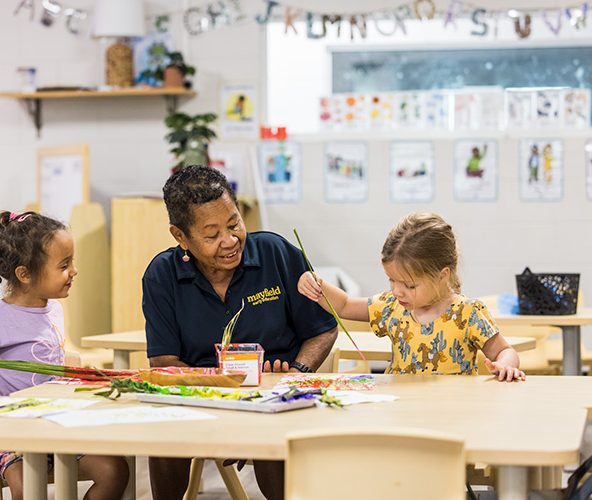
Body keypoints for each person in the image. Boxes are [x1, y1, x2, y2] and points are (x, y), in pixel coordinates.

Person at [142, 164, 338, 500]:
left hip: (275, 398)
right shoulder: (163, 275)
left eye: (235, 224)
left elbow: (324, 329)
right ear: (180, 236)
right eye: (211, 234)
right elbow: (164, 361)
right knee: (164, 440)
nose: (230, 241)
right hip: (201, 399)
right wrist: (225, 399)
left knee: (274, 443)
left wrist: (296, 372)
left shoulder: (276, 254)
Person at [0, 211, 128, 500]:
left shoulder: (54, 307)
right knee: (26, 488)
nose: (74, 270)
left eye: (72, 262)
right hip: (9, 432)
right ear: (25, 274)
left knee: (115, 471)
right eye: (64, 265)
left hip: (57, 424)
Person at [298, 212, 525, 382]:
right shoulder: (391, 306)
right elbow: (345, 305)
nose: (397, 291)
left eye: (409, 285)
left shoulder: (467, 313)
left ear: (442, 276)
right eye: (391, 280)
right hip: (400, 410)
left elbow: (504, 351)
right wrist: (316, 284)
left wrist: (506, 365)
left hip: (453, 412)